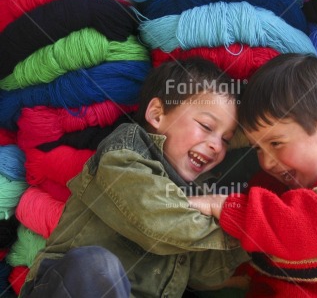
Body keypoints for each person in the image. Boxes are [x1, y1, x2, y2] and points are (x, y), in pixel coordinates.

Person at [20, 58, 250, 298]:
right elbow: (155, 216)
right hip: (70, 287)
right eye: (206, 126)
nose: (216, 146)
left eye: (226, 139)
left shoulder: (197, 193)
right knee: (96, 267)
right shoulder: (124, 154)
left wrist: (253, 238)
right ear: (157, 115)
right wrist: (237, 219)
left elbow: (205, 273)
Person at [188, 53, 317, 297]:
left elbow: (310, 227)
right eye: (257, 147)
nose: (267, 161)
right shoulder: (270, 186)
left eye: (276, 143)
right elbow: (259, 252)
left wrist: (224, 205)